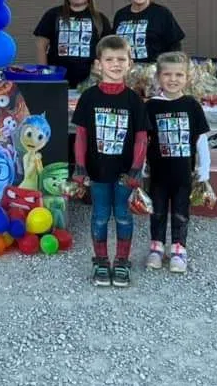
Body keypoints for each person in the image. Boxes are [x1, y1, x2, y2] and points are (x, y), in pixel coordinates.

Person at [71, 35, 149, 288]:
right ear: (98, 64)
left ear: (130, 63)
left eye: (121, 59)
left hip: (125, 173)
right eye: (109, 59)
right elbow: (81, 136)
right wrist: (80, 168)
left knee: (124, 217)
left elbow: (141, 138)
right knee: (100, 216)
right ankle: (101, 260)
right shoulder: (89, 97)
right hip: (97, 171)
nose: (115, 64)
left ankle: (122, 261)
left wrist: (136, 170)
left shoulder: (134, 100)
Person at [143, 52, 211, 274]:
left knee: (181, 212)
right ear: (159, 77)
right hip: (158, 173)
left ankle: (179, 249)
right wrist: (141, 164)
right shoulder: (151, 106)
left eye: (179, 74)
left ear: (187, 77)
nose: (173, 79)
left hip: (183, 174)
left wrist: (205, 169)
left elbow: (201, 139)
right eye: (167, 74)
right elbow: (144, 139)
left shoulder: (192, 105)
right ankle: (156, 248)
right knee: (158, 211)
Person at [34, 0, 112, 89]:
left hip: (91, 85)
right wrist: (45, 77)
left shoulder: (100, 19)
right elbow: (40, 46)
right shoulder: (53, 15)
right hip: (58, 82)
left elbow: (109, 52)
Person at [112, 0, 185, 63]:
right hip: (124, 72)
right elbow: (113, 46)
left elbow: (175, 46)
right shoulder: (120, 15)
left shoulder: (162, 13)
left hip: (154, 72)